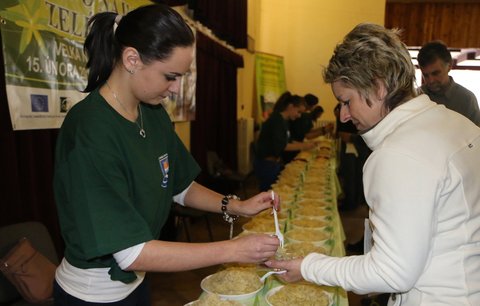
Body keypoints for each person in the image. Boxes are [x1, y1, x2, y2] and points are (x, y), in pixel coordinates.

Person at [52, 4, 280, 305]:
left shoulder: (152, 113)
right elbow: (132, 253)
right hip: (94, 295)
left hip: (137, 284)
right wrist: (233, 249)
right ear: (132, 59)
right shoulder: (90, 129)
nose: (175, 88)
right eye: (170, 76)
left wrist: (237, 206)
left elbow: (179, 186)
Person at [265, 23, 480, 305]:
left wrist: (308, 266)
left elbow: (392, 272)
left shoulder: (397, 154)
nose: (343, 116)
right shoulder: (457, 123)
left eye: (346, 101)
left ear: (378, 87)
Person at [254, 91, 317, 191]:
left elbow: (289, 140)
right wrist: (303, 146)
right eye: (298, 112)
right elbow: (283, 146)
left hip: (273, 163)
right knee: (267, 195)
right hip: (266, 164)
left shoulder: (284, 121)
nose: (299, 116)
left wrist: (306, 144)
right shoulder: (276, 120)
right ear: (290, 106)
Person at [417, 41, 480, 126]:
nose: (430, 80)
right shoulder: (416, 97)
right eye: (425, 75)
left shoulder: (467, 100)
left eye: (436, 73)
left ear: (449, 65)